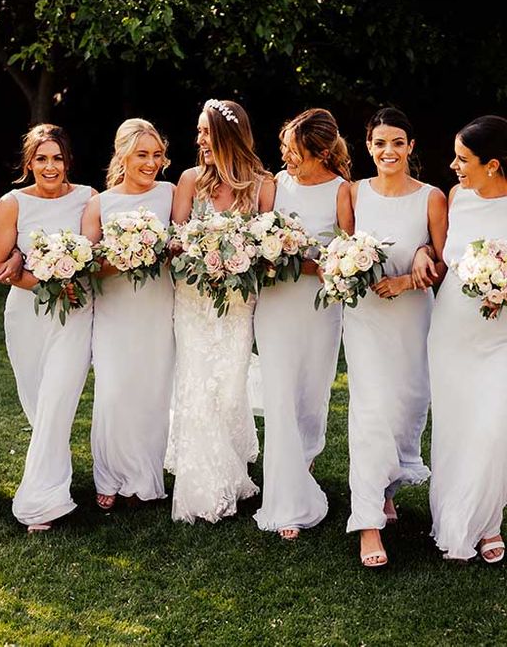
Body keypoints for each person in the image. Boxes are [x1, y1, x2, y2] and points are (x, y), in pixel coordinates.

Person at [342, 108, 447, 567]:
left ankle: (386, 489)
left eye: (398, 142)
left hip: (412, 318)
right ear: (368, 146)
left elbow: (448, 263)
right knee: (370, 411)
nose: (389, 151)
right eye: (380, 142)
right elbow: (341, 251)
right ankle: (367, 524)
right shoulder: (353, 193)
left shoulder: (431, 197)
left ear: (410, 147)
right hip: (364, 318)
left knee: (405, 408)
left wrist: (410, 276)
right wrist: (348, 269)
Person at [165, 98, 270, 523]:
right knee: (196, 383)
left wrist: (240, 257)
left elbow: (268, 246)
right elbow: (174, 240)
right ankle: (202, 485)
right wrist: (196, 250)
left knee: (229, 385)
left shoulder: (262, 185)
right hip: (192, 300)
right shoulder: (190, 180)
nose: (199, 140)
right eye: (199, 132)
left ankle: (232, 467)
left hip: (238, 302)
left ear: (228, 134)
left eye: (206, 132)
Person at [0, 123, 95, 533]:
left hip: (75, 310)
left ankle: (39, 501)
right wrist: (45, 279)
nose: (50, 167)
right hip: (28, 315)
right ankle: (54, 471)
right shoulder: (13, 203)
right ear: (29, 162)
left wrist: (67, 278)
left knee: (57, 400)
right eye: (41, 159)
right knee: (37, 401)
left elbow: (92, 252)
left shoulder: (88, 198)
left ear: (68, 160)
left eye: (57, 158)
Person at [253, 108, 354, 541]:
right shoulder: (275, 185)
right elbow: (257, 241)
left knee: (311, 393)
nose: (287, 157)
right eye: (284, 149)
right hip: (275, 305)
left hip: (319, 308)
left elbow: (349, 258)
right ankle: (285, 500)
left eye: (294, 152)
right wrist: (270, 254)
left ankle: (303, 463)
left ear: (321, 152)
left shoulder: (342, 192)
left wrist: (304, 260)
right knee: (279, 395)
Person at [81, 118, 175, 511]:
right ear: (123, 155)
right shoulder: (100, 203)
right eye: (142, 155)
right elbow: (87, 263)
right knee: (114, 391)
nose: (151, 162)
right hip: (116, 311)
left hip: (158, 307)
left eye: (156, 155)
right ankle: (110, 475)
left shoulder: (170, 194)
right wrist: (125, 257)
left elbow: (181, 243)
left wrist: (162, 250)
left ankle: (144, 476)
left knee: (153, 392)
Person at [429, 115, 507, 562]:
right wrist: (423, 253)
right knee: (457, 426)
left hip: (498, 337)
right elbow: (442, 255)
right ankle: (461, 518)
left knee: (494, 428)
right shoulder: (456, 197)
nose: (454, 166)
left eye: (463, 159)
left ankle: (488, 520)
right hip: (453, 328)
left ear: (492, 164)